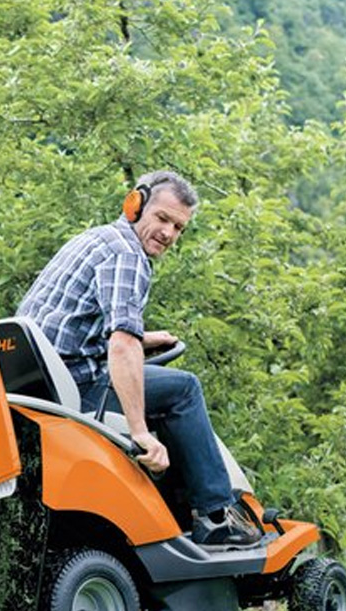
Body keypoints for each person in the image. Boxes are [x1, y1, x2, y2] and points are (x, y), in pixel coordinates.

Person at [16, 170, 260, 549]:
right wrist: (141, 434)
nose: (169, 234)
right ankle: (215, 515)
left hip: (37, 381)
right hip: (77, 389)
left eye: (179, 227)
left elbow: (73, 323)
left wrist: (144, 339)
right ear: (136, 204)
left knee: (156, 374)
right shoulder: (128, 257)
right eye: (163, 219)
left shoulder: (96, 239)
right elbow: (120, 347)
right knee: (184, 390)